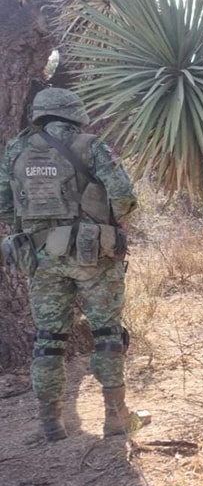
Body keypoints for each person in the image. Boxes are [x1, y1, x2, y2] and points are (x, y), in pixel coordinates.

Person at [0, 88, 137, 441]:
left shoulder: (15, 149)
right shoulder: (90, 145)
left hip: (41, 259)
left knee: (49, 339)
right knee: (107, 333)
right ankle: (115, 417)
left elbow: (4, 205)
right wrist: (113, 224)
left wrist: (29, 231)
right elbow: (123, 194)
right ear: (75, 114)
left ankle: (51, 422)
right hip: (92, 256)